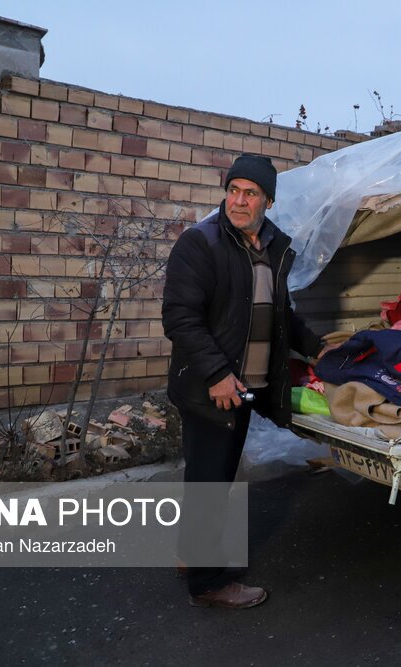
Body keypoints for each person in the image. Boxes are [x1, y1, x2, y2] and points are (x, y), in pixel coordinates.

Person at [162, 154, 325, 609]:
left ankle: (190, 555)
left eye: (250, 193)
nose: (238, 200)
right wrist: (217, 374)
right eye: (233, 189)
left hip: (243, 390)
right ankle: (208, 583)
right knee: (210, 483)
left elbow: (280, 318)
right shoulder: (202, 243)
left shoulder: (271, 248)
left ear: (267, 201)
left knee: (212, 479)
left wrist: (319, 348)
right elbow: (180, 318)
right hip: (209, 388)